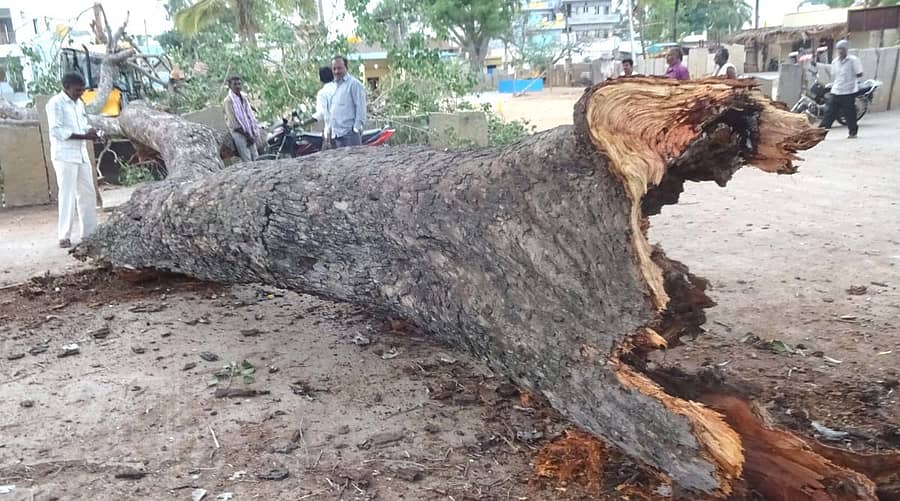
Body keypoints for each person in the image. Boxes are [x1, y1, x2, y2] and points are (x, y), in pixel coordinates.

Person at [45, 72, 98, 248]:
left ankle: (89, 233)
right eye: (77, 90)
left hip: (81, 154)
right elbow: (57, 131)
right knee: (67, 194)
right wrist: (84, 136)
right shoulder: (55, 104)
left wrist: (91, 132)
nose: (80, 93)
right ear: (66, 87)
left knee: (88, 193)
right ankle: (64, 236)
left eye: (82, 90)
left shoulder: (79, 104)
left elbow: (83, 124)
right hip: (64, 155)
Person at [820, 40, 863, 138]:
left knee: (849, 113)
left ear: (846, 50)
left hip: (848, 91)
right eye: (838, 49)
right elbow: (834, 75)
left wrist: (851, 76)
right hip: (836, 90)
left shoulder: (853, 60)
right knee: (829, 112)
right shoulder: (835, 62)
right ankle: (821, 133)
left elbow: (859, 73)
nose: (840, 51)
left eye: (842, 49)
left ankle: (853, 132)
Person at [327, 55, 367, 148]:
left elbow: (361, 108)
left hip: (349, 135)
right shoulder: (333, 86)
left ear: (346, 67)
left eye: (339, 68)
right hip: (335, 135)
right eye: (334, 69)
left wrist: (356, 129)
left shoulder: (354, 84)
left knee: (354, 162)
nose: (336, 71)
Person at [223, 76, 260, 161]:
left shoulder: (244, 98)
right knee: (247, 159)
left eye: (239, 84)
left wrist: (252, 134)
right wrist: (248, 136)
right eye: (235, 84)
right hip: (239, 133)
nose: (237, 86)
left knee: (256, 158)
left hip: (249, 132)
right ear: (230, 86)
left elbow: (249, 116)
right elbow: (233, 123)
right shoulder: (228, 101)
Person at [312, 66, 336, 148]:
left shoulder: (322, 93)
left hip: (331, 132)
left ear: (320, 79)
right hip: (345, 130)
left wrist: (304, 122)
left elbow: (321, 113)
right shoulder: (340, 88)